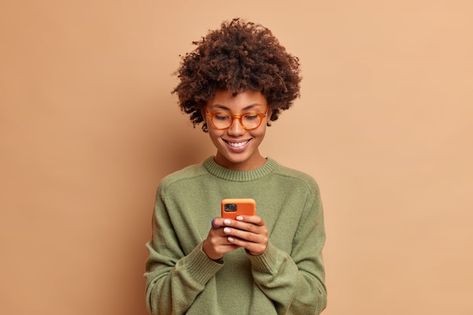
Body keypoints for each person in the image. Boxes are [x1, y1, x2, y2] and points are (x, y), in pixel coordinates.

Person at [144, 18, 327, 315]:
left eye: (251, 116)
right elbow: (159, 304)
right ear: (204, 113)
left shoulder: (300, 191)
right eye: (221, 116)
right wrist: (205, 255)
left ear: (270, 112)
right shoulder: (174, 191)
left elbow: (312, 303)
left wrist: (264, 255)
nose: (237, 130)